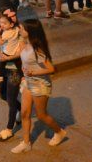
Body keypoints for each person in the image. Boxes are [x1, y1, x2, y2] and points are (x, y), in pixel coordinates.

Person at [11, 19, 67, 154]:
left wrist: (34, 72)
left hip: (40, 84)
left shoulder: (38, 49)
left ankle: (59, 132)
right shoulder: (25, 43)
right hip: (28, 82)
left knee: (41, 115)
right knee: (25, 113)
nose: (20, 30)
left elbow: (51, 68)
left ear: (30, 32)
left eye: (23, 29)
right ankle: (26, 143)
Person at [0, 10, 23, 141]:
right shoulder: (3, 32)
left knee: (11, 98)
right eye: (0, 22)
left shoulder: (20, 32)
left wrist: (7, 57)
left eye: (4, 22)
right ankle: (22, 109)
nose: (1, 25)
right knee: (3, 95)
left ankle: (9, 129)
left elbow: (20, 52)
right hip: (4, 67)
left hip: (15, 69)